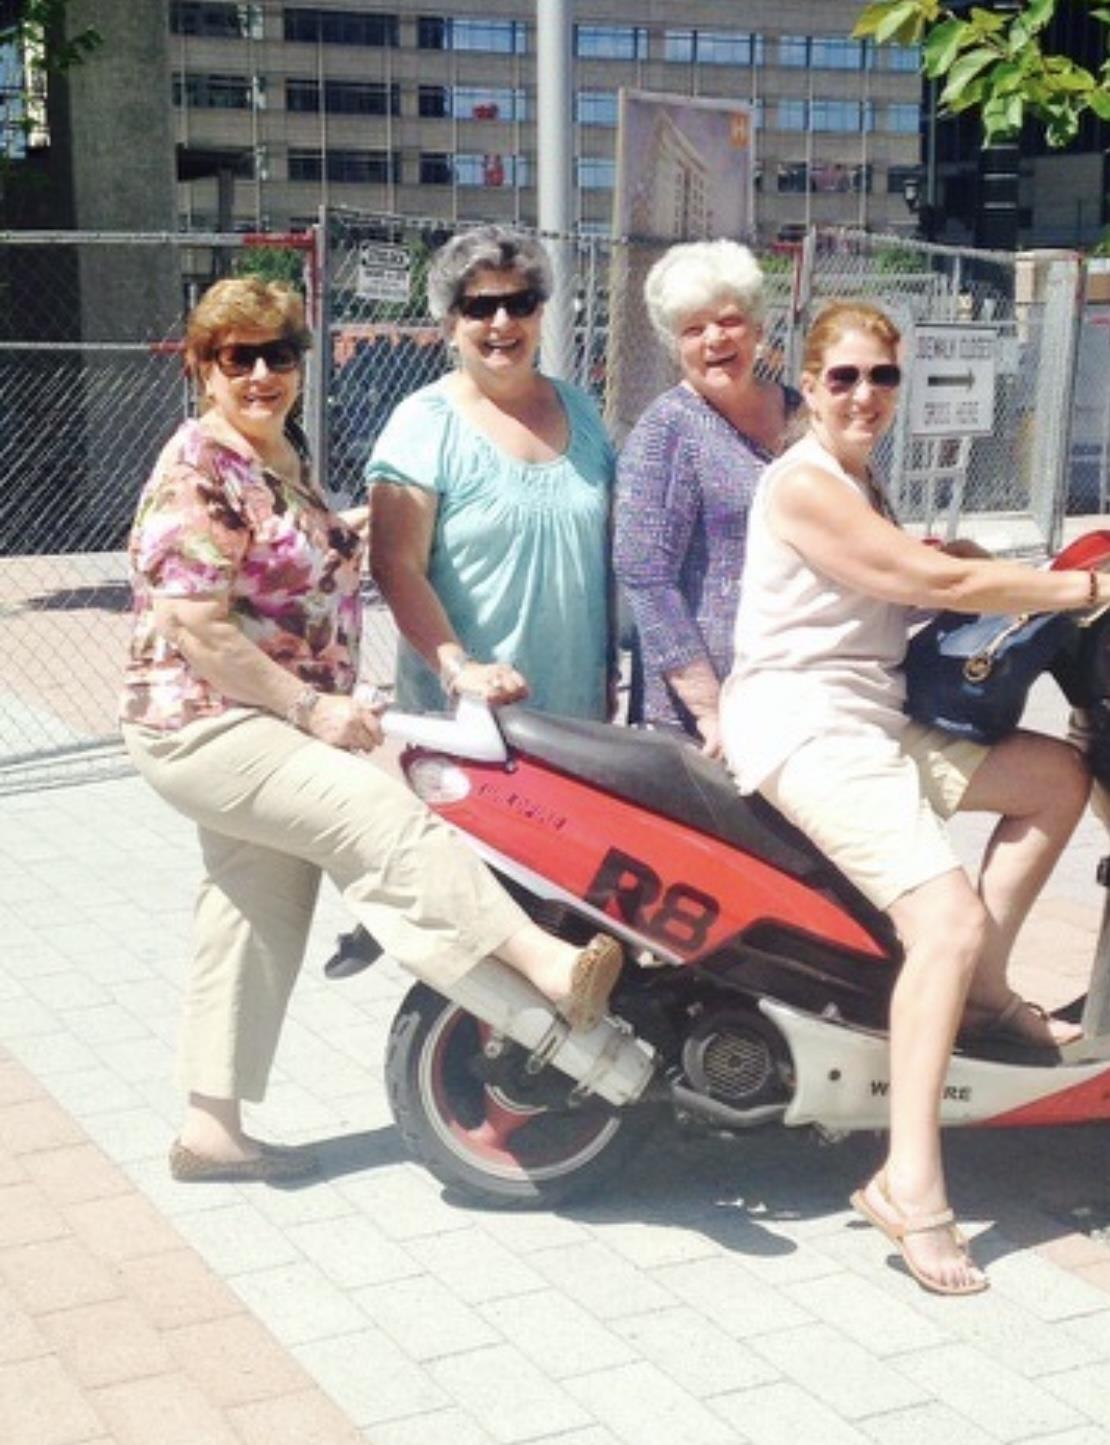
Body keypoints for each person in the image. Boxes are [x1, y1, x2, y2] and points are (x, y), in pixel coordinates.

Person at [118, 276, 622, 1184]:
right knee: (381, 821)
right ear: (203, 367)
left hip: (258, 722)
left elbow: (295, 556)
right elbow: (197, 623)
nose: (264, 373)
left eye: (281, 354)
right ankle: (546, 966)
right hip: (210, 727)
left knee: (251, 909)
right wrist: (313, 709)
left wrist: (371, 525)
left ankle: (209, 1129)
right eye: (240, 357)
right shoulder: (198, 467)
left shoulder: (271, 454)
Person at [722, 300, 1102, 1296]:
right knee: (941, 917)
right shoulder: (801, 482)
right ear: (808, 385)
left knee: (1055, 777)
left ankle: (986, 989)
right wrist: (1077, 593)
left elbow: (921, 571)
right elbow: (904, 571)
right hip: (806, 726)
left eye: (881, 378)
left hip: (874, 720)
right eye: (842, 377)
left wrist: (1004, 566)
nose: (863, 395)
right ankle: (909, 1180)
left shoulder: (858, 478)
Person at [367, 225, 614, 720]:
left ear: (541, 312)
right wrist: (460, 670)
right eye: (479, 307)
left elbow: (602, 558)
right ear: (450, 324)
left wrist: (608, 672)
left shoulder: (584, 412)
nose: (502, 322)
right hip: (467, 716)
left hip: (576, 718)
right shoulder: (422, 424)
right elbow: (395, 566)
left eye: (520, 303)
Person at [613, 240, 801, 755]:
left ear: (759, 330)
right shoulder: (668, 430)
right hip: (709, 718)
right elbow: (645, 575)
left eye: (730, 321)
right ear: (675, 344)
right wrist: (710, 709)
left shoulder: (803, 413)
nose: (715, 339)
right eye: (694, 329)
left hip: (802, 690)